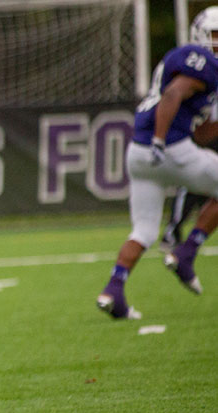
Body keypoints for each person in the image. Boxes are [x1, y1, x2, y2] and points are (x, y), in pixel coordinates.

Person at [96, 8, 218, 319]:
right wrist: (162, 141)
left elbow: (203, 134)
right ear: (202, 36)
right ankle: (187, 251)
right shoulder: (199, 61)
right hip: (167, 148)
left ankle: (113, 290)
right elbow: (173, 94)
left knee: (144, 230)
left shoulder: (196, 67)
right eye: (216, 36)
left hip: (139, 153)